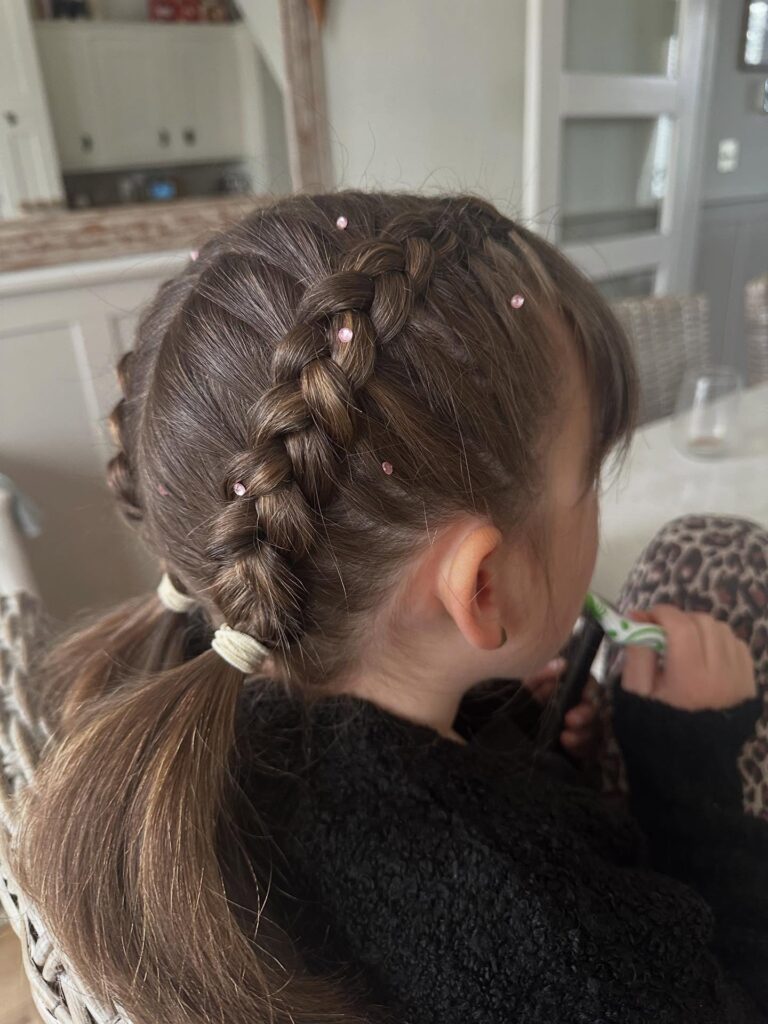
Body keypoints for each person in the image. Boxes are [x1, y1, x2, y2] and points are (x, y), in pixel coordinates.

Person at [12, 191, 768, 1024]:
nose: (597, 497)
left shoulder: (218, 688)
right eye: (590, 477)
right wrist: (690, 782)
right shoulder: (583, 958)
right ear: (482, 589)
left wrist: (516, 733)